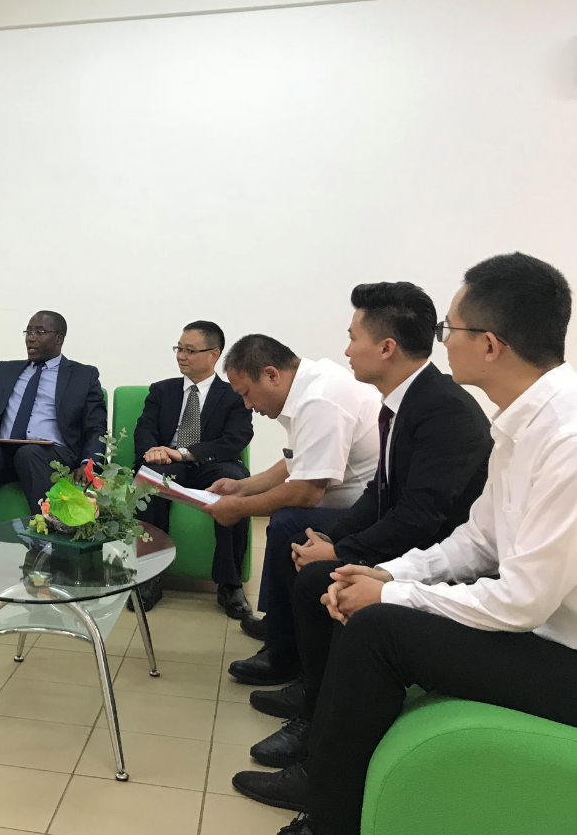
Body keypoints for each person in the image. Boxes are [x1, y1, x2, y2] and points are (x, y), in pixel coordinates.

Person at [258, 253, 577, 835]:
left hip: (564, 652)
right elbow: (478, 540)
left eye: (449, 328)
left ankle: (326, 816)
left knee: (378, 630)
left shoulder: (566, 437)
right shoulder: (521, 424)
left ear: (490, 344)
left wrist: (390, 595)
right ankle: (324, 768)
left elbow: (522, 601)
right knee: (362, 599)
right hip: (541, 627)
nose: (441, 341)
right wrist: (388, 576)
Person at [232, 282, 492, 811]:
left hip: (442, 559)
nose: (346, 349)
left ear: (386, 347)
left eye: (354, 337)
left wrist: (345, 555)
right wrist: (336, 540)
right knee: (312, 566)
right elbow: (380, 493)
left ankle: (319, 747)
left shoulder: (444, 411)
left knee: (324, 579)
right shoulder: (403, 402)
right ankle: (312, 704)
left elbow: (421, 519)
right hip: (421, 542)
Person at [207, 335, 380, 685]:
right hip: (352, 501)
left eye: (246, 393)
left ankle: (284, 653)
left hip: (368, 512)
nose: (247, 405)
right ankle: (280, 621)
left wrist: (239, 508)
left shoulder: (320, 400)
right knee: (284, 518)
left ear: (271, 374)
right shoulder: (309, 385)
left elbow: (307, 493)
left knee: (288, 522)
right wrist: (241, 487)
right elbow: (294, 463)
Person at [0, 311, 107, 602]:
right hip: (3, 454)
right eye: (28, 332)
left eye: (39, 332)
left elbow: (96, 427)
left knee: (30, 452)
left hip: (51, 455)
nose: (31, 338)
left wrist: (88, 464)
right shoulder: (4, 370)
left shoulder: (83, 375)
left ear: (59, 338)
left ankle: (43, 556)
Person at [132, 320, 254, 616]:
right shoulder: (161, 390)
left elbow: (235, 439)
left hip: (213, 463)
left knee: (235, 487)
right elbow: (144, 428)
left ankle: (229, 584)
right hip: (168, 463)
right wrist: (154, 452)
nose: (181, 356)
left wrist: (185, 453)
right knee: (150, 480)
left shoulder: (234, 395)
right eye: (179, 349)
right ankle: (150, 576)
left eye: (189, 350)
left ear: (214, 355)